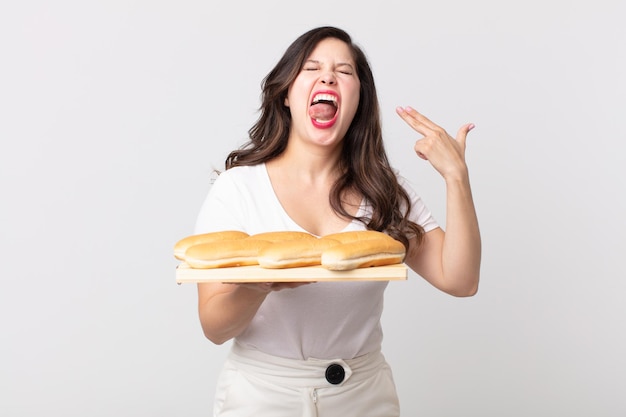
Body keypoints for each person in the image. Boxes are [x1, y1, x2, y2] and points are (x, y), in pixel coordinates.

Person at [192, 26, 481, 417]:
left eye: (344, 71)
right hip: (262, 396)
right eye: (311, 68)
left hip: (364, 396)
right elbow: (214, 326)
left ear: (358, 100)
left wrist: (456, 178)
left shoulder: (384, 191)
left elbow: (460, 279)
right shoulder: (238, 188)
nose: (328, 76)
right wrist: (260, 283)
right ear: (286, 95)